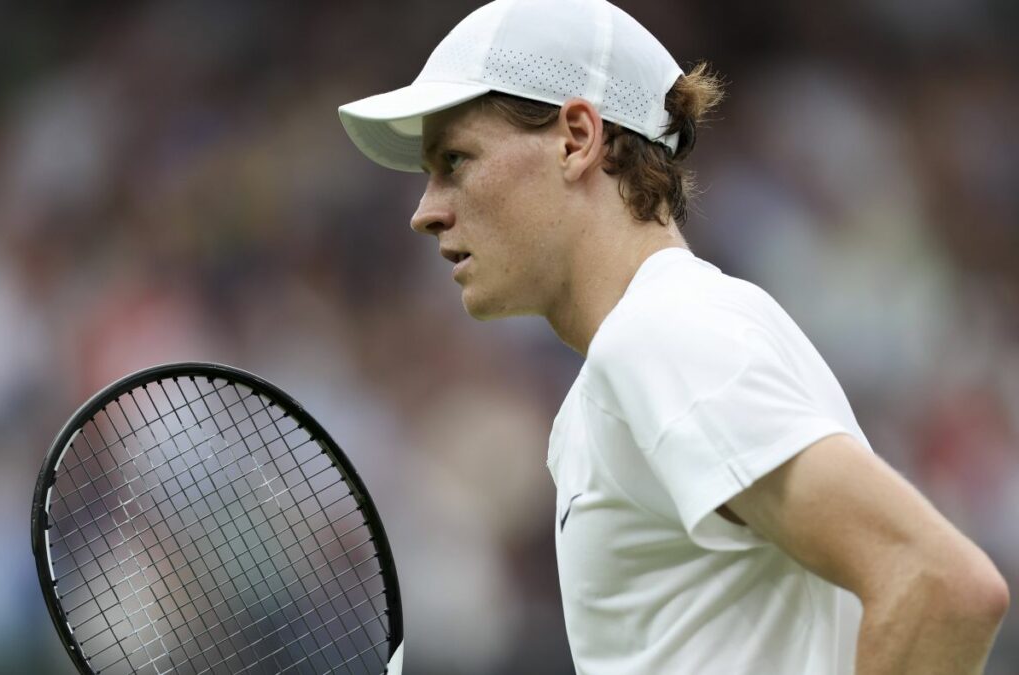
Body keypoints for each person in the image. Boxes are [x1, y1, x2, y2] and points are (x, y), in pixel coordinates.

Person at [337, 0, 1010, 672]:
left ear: (576, 138)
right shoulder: (651, 348)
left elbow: (940, 583)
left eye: (455, 159)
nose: (425, 211)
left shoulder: (662, 334)